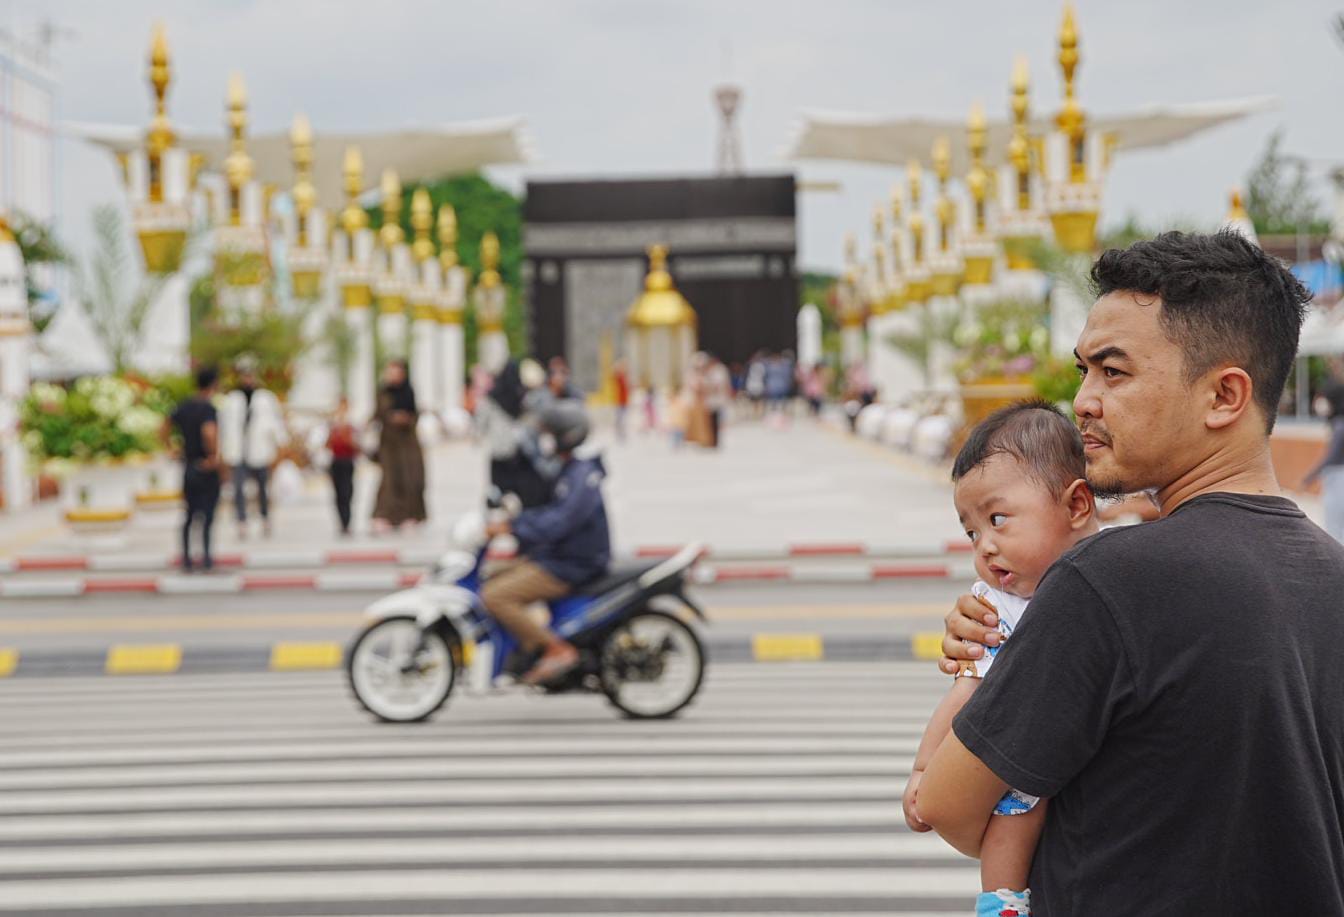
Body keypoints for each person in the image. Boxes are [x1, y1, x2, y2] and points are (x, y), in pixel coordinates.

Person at [920, 232, 1344, 914]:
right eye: (1083, 371)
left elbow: (944, 806)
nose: (1084, 401)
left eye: (1113, 373)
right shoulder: (1333, 574)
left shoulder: (1108, 581)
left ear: (1224, 395)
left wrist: (989, 664)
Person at [904, 401, 1099, 917]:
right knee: (1016, 811)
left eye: (997, 520)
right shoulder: (997, 608)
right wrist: (923, 768)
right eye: (972, 533)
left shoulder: (1122, 568)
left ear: (1077, 506)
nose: (985, 547)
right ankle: (1002, 904)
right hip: (1027, 763)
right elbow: (964, 691)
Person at [481, 400, 610, 685]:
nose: (543, 439)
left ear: (566, 436)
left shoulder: (581, 476)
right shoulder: (569, 470)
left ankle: (555, 648)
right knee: (489, 574)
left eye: (549, 433)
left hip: (571, 564)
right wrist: (515, 520)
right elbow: (549, 512)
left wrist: (514, 527)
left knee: (495, 595)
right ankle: (525, 645)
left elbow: (560, 521)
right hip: (558, 556)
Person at [219, 355, 285, 540]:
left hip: (260, 450)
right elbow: (224, 427)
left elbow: (276, 424)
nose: (248, 379)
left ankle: (264, 517)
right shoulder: (232, 399)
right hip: (238, 451)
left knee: (262, 488)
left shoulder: (265, 398)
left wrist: (280, 447)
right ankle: (242, 521)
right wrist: (222, 451)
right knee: (238, 488)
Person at [166, 366, 222, 572]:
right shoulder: (208, 408)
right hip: (205, 467)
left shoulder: (184, 406)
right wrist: (213, 457)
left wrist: (171, 449)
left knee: (189, 514)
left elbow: (163, 427)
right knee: (207, 515)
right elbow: (209, 432)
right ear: (213, 384)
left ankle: (187, 558)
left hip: (188, 466)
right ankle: (206, 557)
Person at [371, 359, 427, 531]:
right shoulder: (383, 392)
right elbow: (379, 413)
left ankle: (411, 516)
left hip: (407, 444)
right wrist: (391, 417)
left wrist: (406, 419)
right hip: (389, 445)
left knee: (411, 479)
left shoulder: (408, 391)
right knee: (389, 481)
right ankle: (385, 517)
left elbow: (414, 413)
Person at [1303, 380, 1344, 542]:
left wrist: (1308, 478)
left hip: (1338, 480)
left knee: (1335, 530)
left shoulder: (1340, 426)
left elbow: (1331, 457)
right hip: (1336, 479)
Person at [325, 396, 359, 537]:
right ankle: (342, 522)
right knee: (338, 493)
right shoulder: (333, 425)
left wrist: (347, 438)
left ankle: (347, 521)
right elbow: (327, 444)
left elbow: (356, 445)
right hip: (336, 461)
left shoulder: (352, 425)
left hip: (347, 461)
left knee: (347, 492)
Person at [612, 358, 630, 442]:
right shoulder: (619, 376)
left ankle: (622, 434)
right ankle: (619, 435)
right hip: (620, 401)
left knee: (623, 420)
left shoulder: (625, 376)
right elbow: (614, 375)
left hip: (624, 401)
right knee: (620, 420)